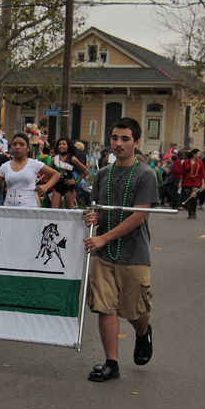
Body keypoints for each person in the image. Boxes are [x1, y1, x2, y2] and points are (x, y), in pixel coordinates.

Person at [82, 117, 159, 382]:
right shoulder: (103, 173)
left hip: (133, 253)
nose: (118, 143)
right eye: (115, 138)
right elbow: (97, 209)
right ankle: (111, 363)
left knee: (135, 309)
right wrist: (92, 218)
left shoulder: (146, 174)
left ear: (137, 143)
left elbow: (139, 216)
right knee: (105, 307)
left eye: (125, 139)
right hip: (103, 254)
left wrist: (105, 238)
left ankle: (142, 332)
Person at [0, 133, 60, 208]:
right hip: (9, 207)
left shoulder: (34, 164)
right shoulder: (5, 166)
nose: (17, 147)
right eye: (14, 144)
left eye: (21, 144)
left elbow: (56, 174)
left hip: (29, 207)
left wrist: (46, 186)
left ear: (27, 148)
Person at [50, 138, 89, 210]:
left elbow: (86, 171)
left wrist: (76, 181)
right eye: (60, 144)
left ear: (68, 146)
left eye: (64, 144)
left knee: (69, 211)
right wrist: (40, 181)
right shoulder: (54, 159)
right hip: (57, 186)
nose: (61, 146)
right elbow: (50, 172)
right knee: (54, 210)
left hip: (69, 186)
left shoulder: (72, 159)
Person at [180, 149, 205, 219]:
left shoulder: (200, 163)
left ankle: (194, 211)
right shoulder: (186, 162)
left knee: (193, 196)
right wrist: (180, 182)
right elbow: (182, 173)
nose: (199, 155)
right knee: (188, 198)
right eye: (198, 154)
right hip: (187, 181)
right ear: (194, 154)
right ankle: (189, 213)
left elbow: (202, 174)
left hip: (196, 181)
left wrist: (203, 183)